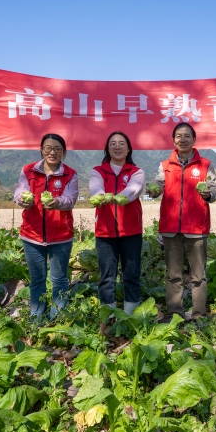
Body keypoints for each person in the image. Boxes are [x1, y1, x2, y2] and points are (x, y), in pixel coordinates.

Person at [150, 122, 216, 321]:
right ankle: (175, 314)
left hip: (196, 228)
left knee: (199, 276)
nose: (183, 139)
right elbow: (158, 182)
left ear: (194, 140)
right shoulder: (165, 165)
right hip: (170, 228)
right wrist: (153, 188)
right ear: (173, 140)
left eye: (187, 136)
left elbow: (215, 189)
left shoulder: (205, 164)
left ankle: (199, 315)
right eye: (179, 136)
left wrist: (209, 194)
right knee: (174, 275)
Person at [13, 134, 78, 320]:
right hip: (31, 234)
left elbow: (71, 199)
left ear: (64, 152)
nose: (52, 152)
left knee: (59, 279)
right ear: (41, 150)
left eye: (57, 149)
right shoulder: (28, 170)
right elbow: (20, 191)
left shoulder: (70, 174)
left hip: (61, 236)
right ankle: (36, 316)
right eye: (48, 148)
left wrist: (57, 202)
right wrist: (22, 200)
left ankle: (58, 317)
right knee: (37, 280)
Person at [89, 131, 144, 315]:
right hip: (105, 232)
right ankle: (109, 316)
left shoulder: (137, 172)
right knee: (106, 277)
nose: (117, 146)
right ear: (107, 148)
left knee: (132, 275)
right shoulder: (97, 171)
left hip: (131, 232)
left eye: (122, 143)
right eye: (113, 143)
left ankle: (131, 316)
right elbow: (95, 188)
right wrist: (100, 196)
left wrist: (119, 197)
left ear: (128, 149)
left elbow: (134, 190)